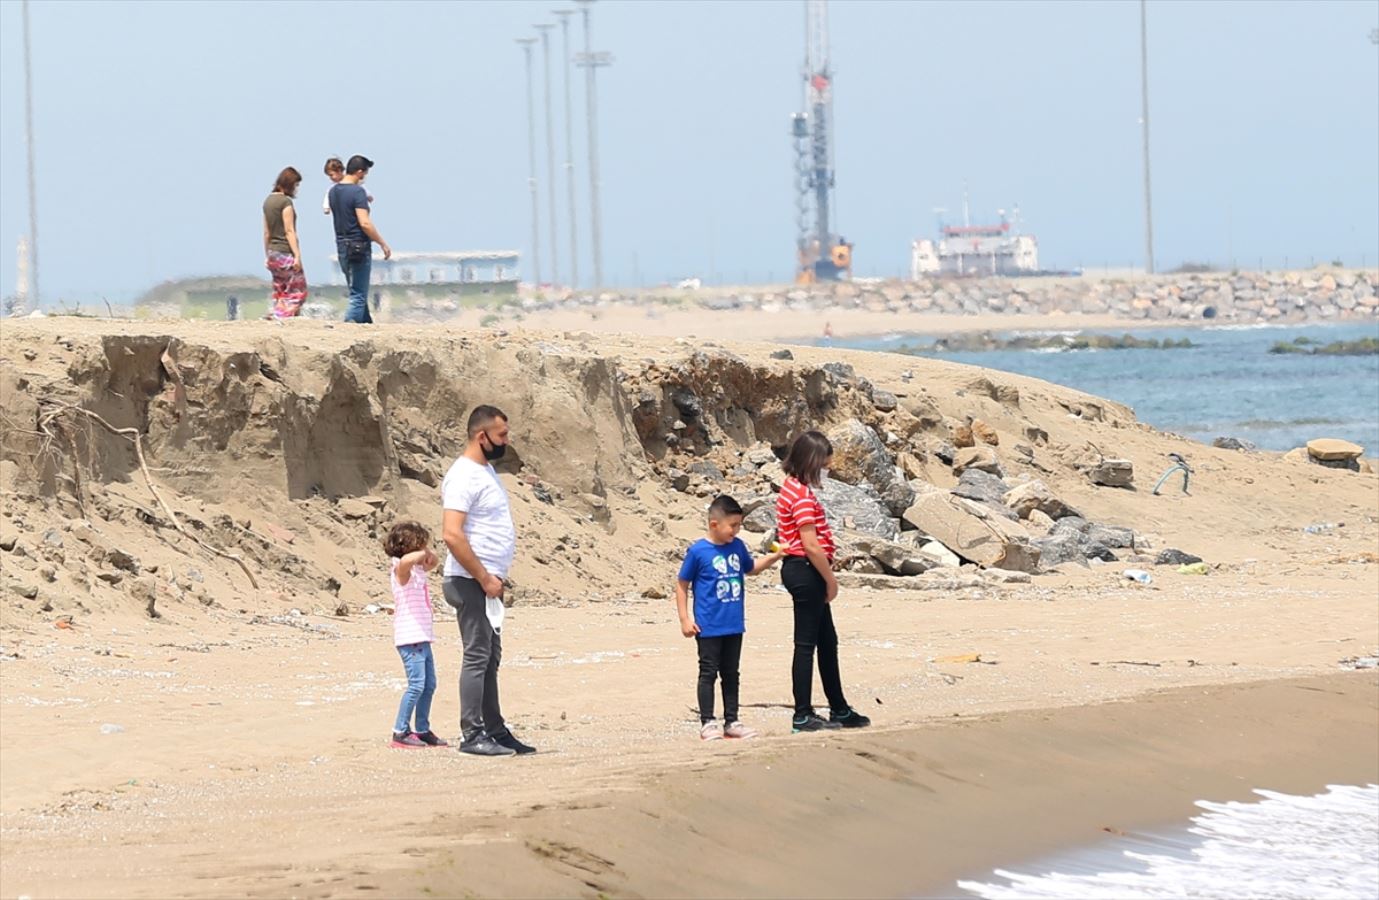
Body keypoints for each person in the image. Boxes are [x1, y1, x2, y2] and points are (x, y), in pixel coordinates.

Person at [440, 405, 535, 757]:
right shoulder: (464, 475)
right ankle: (472, 734)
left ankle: (495, 730)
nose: (506, 442)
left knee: (490, 657)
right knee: (477, 656)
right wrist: (483, 577)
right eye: (502, 436)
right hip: (469, 580)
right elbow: (452, 534)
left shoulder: (486, 471)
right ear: (482, 437)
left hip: (486, 582)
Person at [775, 431, 872, 733]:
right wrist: (831, 581)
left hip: (804, 570)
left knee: (827, 642)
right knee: (806, 645)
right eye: (824, 466)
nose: (826, 472)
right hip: (806, 570)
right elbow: (811, 545)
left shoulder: (792, 489)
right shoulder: (801, 496)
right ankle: (802, 714)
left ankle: (838, 707)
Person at [676, 495, 783, 741]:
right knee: (708, 672)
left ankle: (732, 720)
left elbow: (751, 568)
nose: (736, 530)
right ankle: (708, 721)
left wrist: (775, 557)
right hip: (708, 624)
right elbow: (682, 584)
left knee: (731, 672)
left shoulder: (737, 546)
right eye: (732, 526)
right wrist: (685, 619)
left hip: (734, 623)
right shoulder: (698, 551)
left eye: (739, 525)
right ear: (714, 524)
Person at [383, 521, 448, 749]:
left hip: (422, 636)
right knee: (416, 685)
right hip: (409, 637)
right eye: (420, 545)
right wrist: (419, 551)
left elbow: (434, 561)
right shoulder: (400, 569)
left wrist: (426, 553)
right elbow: (407, 561)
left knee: (429, 684)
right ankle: (400, 731)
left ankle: (421, 729)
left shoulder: (417, 571)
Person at [327, 155, 391, 324]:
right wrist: (382, 243)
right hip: (358, 247)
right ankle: (348, 328)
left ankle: (366, 326)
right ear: (360, 172)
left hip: (341, 245)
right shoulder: (357, 192)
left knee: (356, 291)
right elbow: (364, 222)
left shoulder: (333, 192)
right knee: (358, 295)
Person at [262, 167, 308, 320]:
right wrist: (297, 256)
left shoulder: (268, 202)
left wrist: (267, 254)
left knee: (281, 289)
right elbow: (289, 231)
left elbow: (266, 232)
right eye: (295, 185)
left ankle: (279, 314)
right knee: (297, 290)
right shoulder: (285, 202)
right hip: (284, 251)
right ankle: (280, 315)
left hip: (273, 252)